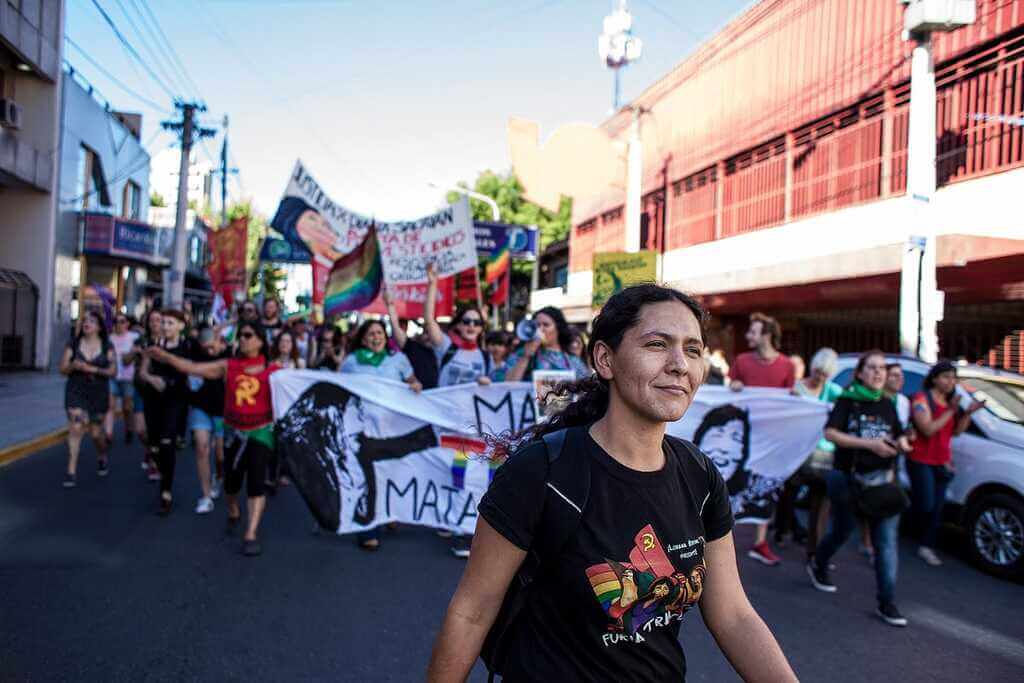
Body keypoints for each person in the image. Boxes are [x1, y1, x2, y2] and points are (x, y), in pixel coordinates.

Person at [426, 284, 796, 683]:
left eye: (692, 349)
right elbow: (472, 610)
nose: (679, 364)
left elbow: (733, 615)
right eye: (657, 344)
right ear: (605, 359)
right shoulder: (541, 472)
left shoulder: (699, 475)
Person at [147, 320, 280, 556]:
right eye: (241, 335)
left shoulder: (274, 371)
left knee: (256, 482)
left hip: (261, 432)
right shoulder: (228, 366)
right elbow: (192, 368)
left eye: (248, 335)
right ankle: (233, 510)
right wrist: (166, 357)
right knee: (231, 484)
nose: (243, 339)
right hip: (234, 433)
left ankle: (251, 532)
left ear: (261, 340)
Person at [807, 350, 913, 628]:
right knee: (842, 531)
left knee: (886, 543)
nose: (879, 373)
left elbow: (899, 433)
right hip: (848, 480)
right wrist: (870, 445)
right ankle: (818, 563)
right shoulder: (848, 400)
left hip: (883, 483)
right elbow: (831, 433)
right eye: (872, 368)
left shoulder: (888, 403)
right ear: (861, 373)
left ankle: (887, 602)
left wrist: (902, 443)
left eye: (882, 368)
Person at [340, 318, 423, 551]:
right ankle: (368, 529)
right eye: (371, 334)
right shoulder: (351, 362)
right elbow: (339, 387)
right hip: (363, 430)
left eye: (379, 333)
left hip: (393, 430)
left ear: (385, 337)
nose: (376, 337)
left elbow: (412, 381)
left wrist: (416, 385)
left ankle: (388, 512)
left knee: (390, 473)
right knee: (367, 477)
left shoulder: (398, 360)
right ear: (363, 338)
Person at [728, 312, 795, 566]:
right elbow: (729, 393)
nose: (747, 336)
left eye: (753, 331)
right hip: (743, 438)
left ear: (766, 335)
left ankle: (760, 541)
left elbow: (790, 401)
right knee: (735, 484)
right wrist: (733, 385)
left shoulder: (787, 365)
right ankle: (722, 538)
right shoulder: (742, 361)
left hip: (772, 438)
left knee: (765, 486)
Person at [908, 360, 985, 567]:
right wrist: (951, 411)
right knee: (925, 503)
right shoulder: (922, 399)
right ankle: (906, 524)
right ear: (934, 379)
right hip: (921, 459)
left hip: (942, 461)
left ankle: (927, 545)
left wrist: (968, 413)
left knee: (937, 507)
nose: (951, 382)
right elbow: (928, 429)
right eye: (946, 377)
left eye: (953, 378)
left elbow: (956, 432)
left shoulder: (952, 404)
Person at [778, 347, 843, 559]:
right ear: (812, 368)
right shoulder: (798, 388)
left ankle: (814, 551)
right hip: (798, 454)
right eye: (817, 372)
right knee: (789, 495)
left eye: (825, 375)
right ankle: (783, 528)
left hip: (824, 456)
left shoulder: (834, 392)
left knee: (820, 504)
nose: (820, 378)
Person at [137, 310, 191, 515]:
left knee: (167, 442)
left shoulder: (186, 347)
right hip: (153, 400)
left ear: (180, 326)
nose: (166, 326)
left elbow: (189, 369)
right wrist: (153, 380)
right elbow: (142, 371)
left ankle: (166, 492)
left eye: (170, 323)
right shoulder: (153, 348)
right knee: (155, 446)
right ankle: (163, 470)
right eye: (164, 322)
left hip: (175, 400)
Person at [59, 310, 116, 488]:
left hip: (98, 393)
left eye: (91, 321)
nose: (86, 323)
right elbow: (62, 369)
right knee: (76, 427)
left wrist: (93, 370)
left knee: (95, 433)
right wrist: (72, 366)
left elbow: (113, 372)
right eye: (84, 320)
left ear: (99, 327)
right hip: (76, 391)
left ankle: (102, 455)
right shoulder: (73, 344)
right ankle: (71, 471)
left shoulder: (107, 346)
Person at [420, 265, 493, 389]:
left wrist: (487, 384)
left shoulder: (486, 357)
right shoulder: (446, 346)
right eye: (466, 321)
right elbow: (429, 320)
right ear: (458, 325)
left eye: (477, 322)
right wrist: (432, 284)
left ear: (481, 328)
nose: (471, 325)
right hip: (444, 408)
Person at [186, 327, 230, 514]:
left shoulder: (229, 357)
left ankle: (218, 477)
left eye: (214, 346)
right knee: (202, 447)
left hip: (222, 411)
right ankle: (205, 496)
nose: (210, 350)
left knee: (220, 454)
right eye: (207, 346)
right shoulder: (195, 354)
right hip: (200, 408)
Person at [496, 307, 589, 382]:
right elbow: (506, 385)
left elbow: (585, 388)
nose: (540, 329)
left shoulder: (572, 359)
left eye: (546, 325)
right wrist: (525, 357)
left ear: (558, 329)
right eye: (537, 325)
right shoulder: (521, 354)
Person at [107, 314, 141, 445]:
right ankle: (109, 434)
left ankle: (129, 428)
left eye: (122, 321)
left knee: (127, 408)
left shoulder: (134, 337)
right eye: (116, 321)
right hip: (112, 376)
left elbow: (139, 353)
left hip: (128, 377)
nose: (119, 324)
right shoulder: (110, 338)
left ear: (127, 324)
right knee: (110, 406)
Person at [885, 363, 912, 432]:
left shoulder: (904, 401)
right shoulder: (874, 398)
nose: (900, 379)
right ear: (884, 377)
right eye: (895, 375)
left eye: (901, 376)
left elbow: (906, 426)